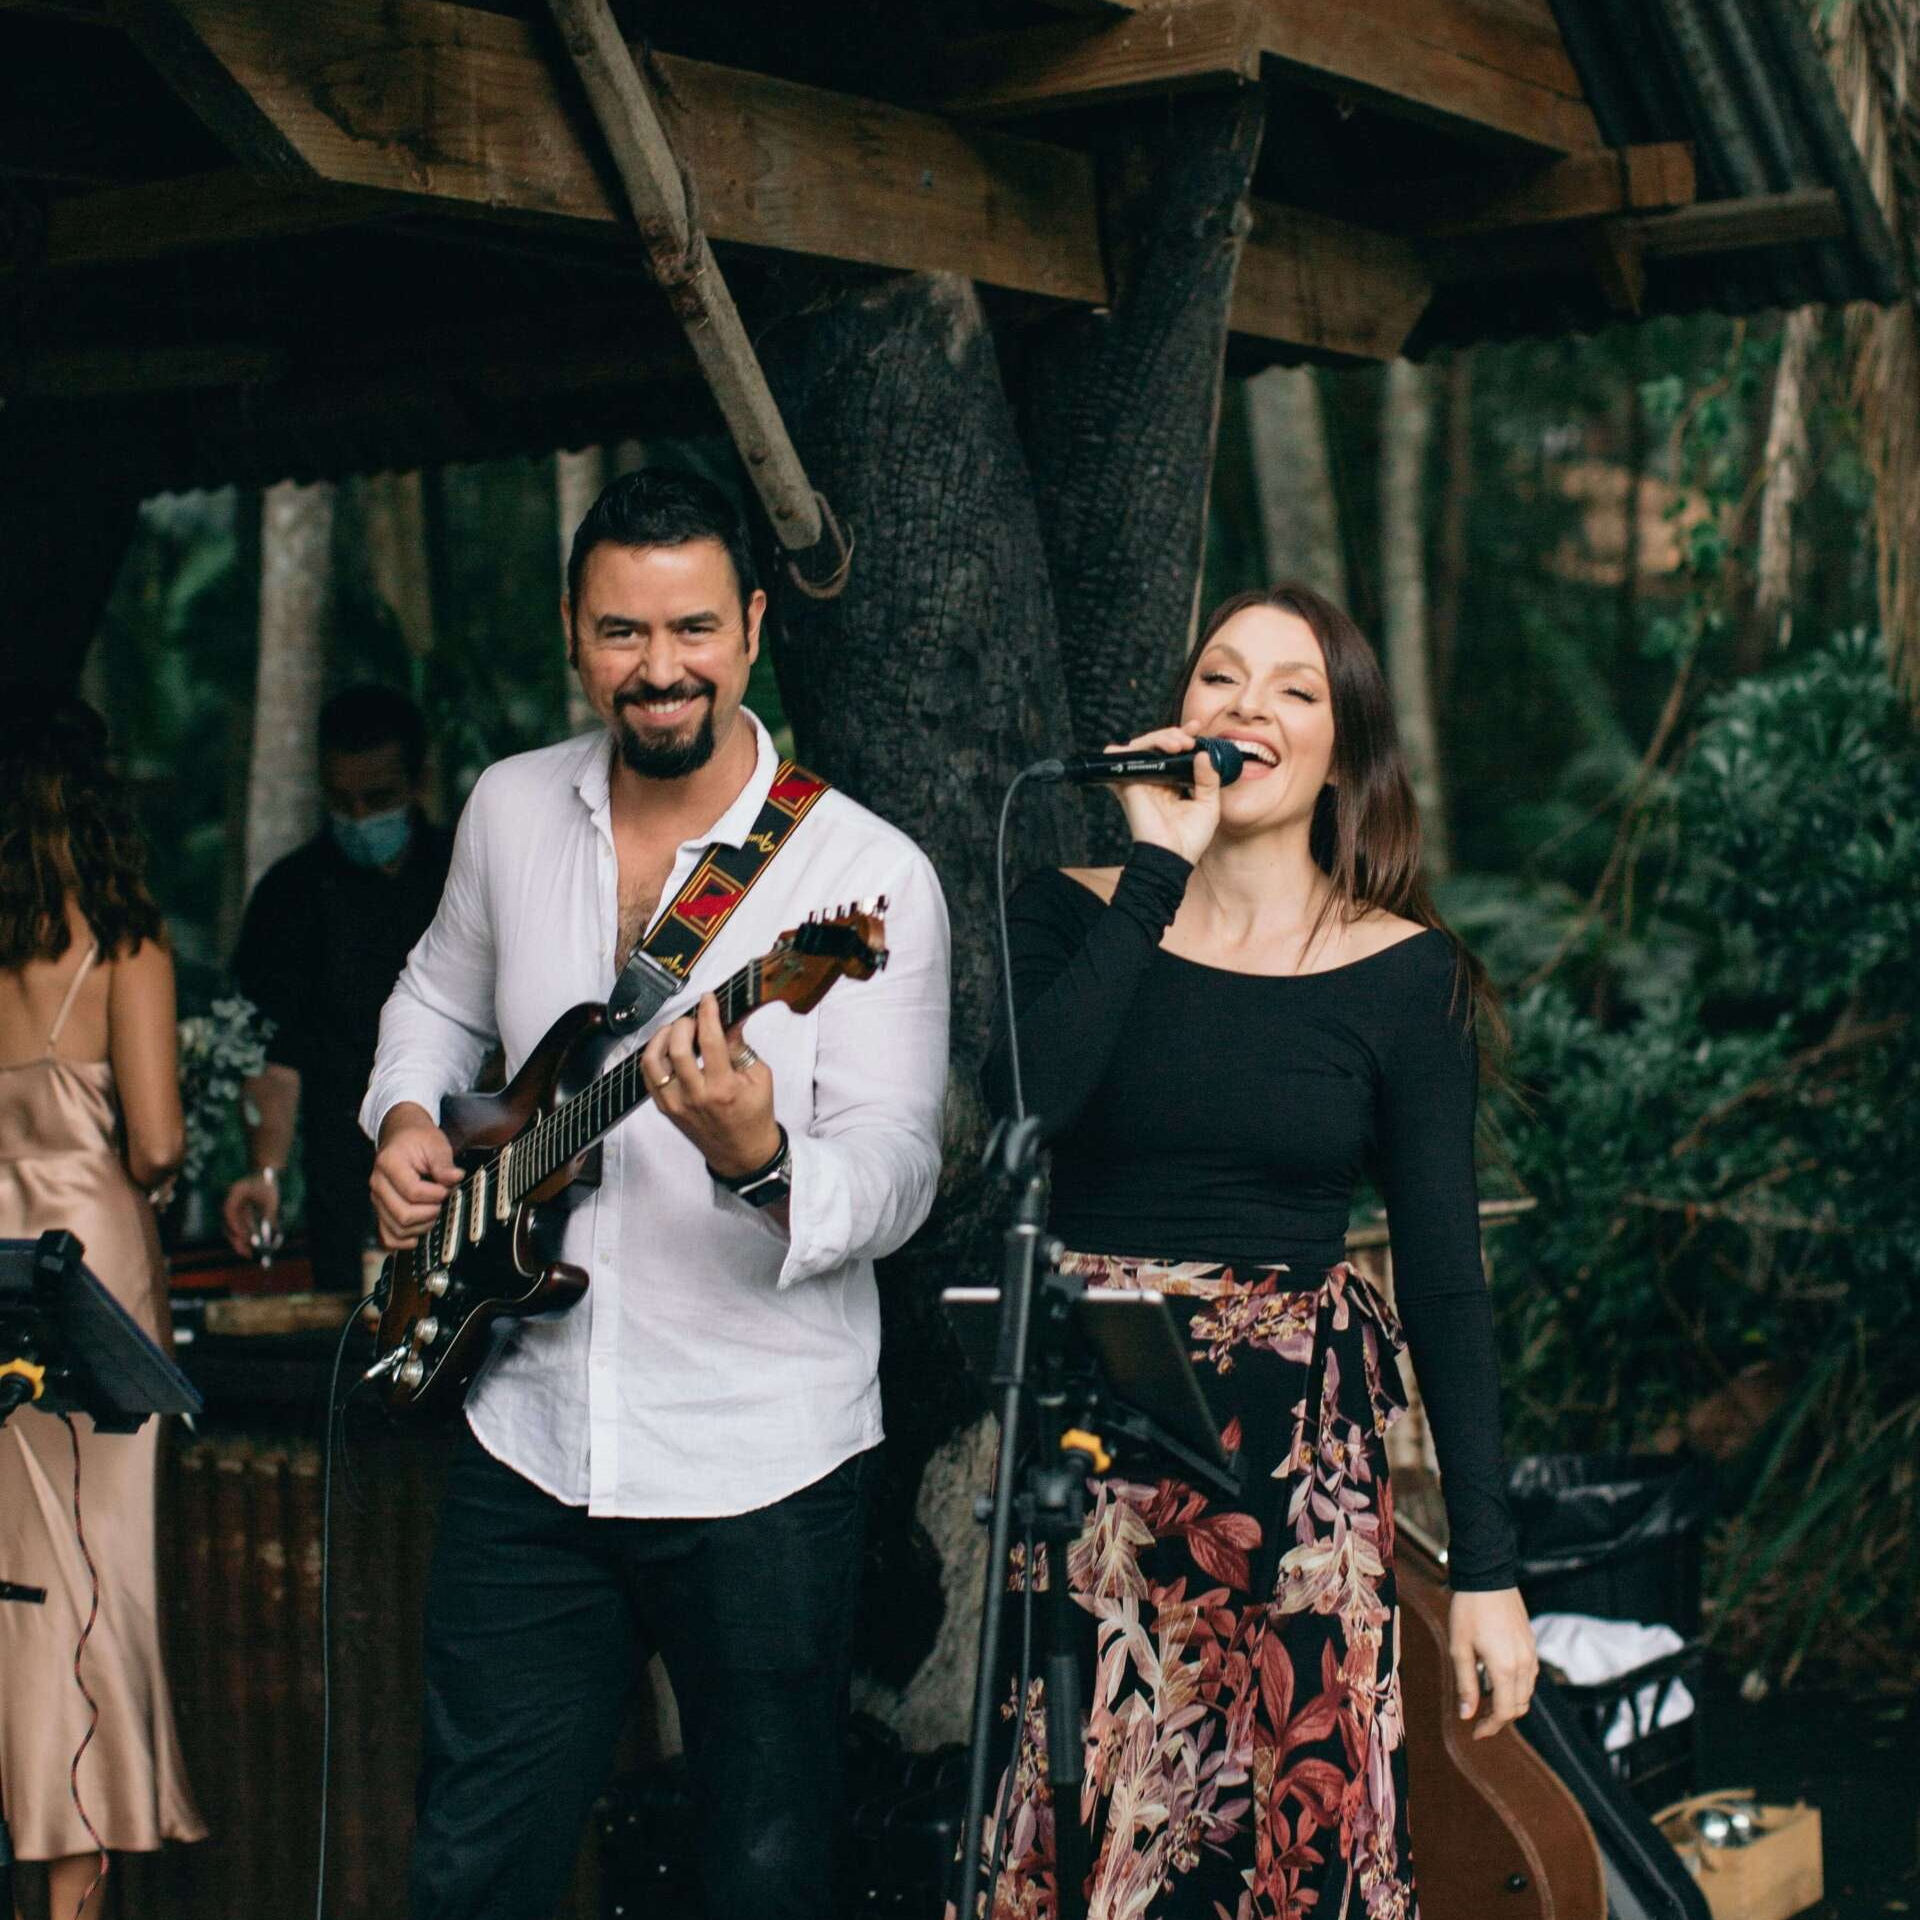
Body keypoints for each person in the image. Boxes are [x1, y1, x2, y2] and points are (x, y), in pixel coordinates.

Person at [361, 468, 951, 1920]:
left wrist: (759, 1154)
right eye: (623, 632)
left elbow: (898, 1167)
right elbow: (435, 994)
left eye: (693, 627)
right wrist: (402, 1121)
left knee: (764, 1869)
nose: (660, 666)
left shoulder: (862, 876)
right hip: (530, 1428)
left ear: (751, 627)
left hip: (762, 1457)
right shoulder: (508, 808)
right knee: (472, 1858)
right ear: (575, 630)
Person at [974, 584, 1538, 1918]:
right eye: (1221, 678)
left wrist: (1494, 1575)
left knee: (1284, 1847)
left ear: (1344, 748)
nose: (1247, 709)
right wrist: (1158, 871)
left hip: (1295, 1492)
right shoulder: (1069, 910)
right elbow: (1022, 1106)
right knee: (1090, 1833)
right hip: (1097, 1474)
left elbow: (1447, 1281)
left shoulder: (1408, 977)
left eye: (1294, 689)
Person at [0, 689, 206, 1920]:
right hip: (91, 1278)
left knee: (18, 1592)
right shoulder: (124, 942)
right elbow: (159, 1141)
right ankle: (79, 1887)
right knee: (98, 1586)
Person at [223, 686, 453, 1291]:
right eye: (341, 800)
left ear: (418, 780)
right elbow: (274, 1057)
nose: (358, 817)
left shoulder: (464, 874)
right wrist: (265, 1176)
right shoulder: (289, 894)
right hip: (341, 1176)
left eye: (376, 799)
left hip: (468, 1162)